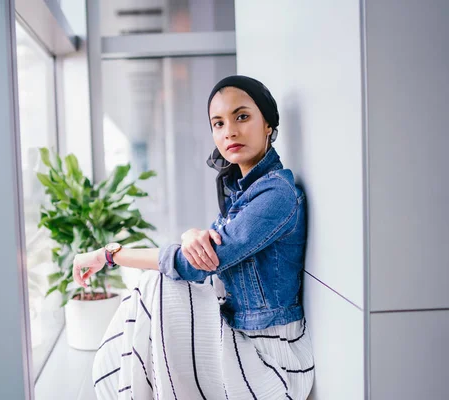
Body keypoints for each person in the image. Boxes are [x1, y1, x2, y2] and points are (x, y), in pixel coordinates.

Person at [72, 75, 314, 400]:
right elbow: (201, 250)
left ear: (268, 124)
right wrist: (190, 235)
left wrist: (108, 255)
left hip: (273, 359)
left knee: (158, 286)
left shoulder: (277, 195)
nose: (229, 131)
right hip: (243, 338)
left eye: (241, 116)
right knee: (154, 288)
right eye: (218, 123)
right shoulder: (247, 191)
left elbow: (193, 264)